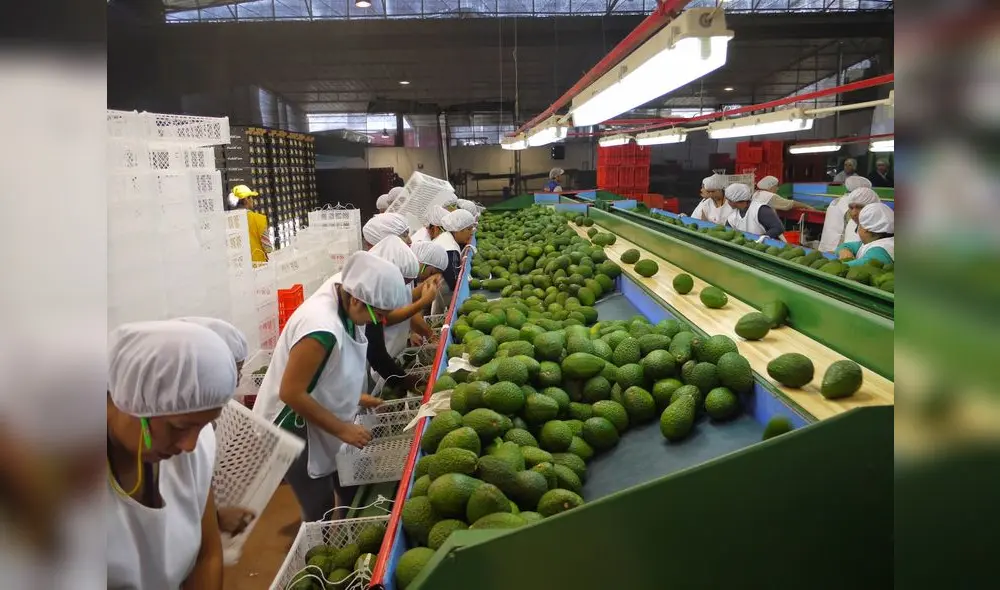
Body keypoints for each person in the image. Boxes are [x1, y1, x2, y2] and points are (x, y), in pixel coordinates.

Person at [252, 252, 409, 522]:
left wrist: (353, 397)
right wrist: (342, 429)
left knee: (345, 480)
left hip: (315, 410)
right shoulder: (320, 327)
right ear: (358, 300)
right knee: (320, 505)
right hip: (290, 425)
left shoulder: (346, 289)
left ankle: (346, 528)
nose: (379, 323)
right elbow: (291, 393)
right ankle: (320, 547)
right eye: (379, 315)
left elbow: (325, 371)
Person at [107, 321, 238, 590]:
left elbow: (207, 555)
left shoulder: (194, 449)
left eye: (203, 426)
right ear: (131, 403)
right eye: (179, 427)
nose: (189, 444)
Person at [366, 236, 441, 388]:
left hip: (386, 360)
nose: (410, 240)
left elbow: (402, 301)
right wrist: (423, 302)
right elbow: (377, 349)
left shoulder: (381, 283)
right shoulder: (370, 296)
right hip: (377, 364)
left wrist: (422, 290)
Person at [432, 209, 476, 314]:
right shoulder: (450, 248)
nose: (471, 233)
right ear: (458, 230)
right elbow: (454, 282)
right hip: (442, 294)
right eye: (468, 229)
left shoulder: (446, 238)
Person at [818, 176, 873, 252]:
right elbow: (853, 232)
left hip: (828, 243)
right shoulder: (854, 205)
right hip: (839, 248)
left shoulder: (837, 200)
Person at [837, 202, 894, 267]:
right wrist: (843, 250)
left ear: (866, 229)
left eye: (859, 225)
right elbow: (846, 245)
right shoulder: (873, 242)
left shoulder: (879, 252)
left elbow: (845, 267)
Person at [229, 185, 272, 263]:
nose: (252, 200)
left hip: (238, 266)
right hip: (257, 266)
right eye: (251, 197)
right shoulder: (259, 219)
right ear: (246, 200)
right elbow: (268, 248)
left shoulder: (229, 220)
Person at [752, 176, 816, 211]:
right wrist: (807, 206)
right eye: (776, 186)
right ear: (770, 186)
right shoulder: (769, 196)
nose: (778, 189)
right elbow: (790, 203)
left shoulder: (756, 193)